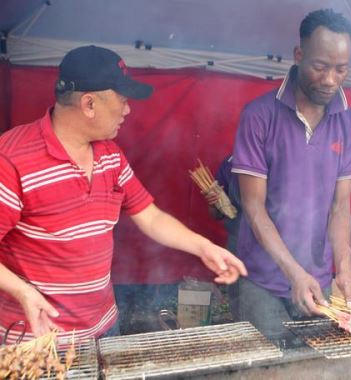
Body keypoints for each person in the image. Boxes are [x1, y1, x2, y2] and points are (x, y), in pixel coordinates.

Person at [0, 45, 247, 343]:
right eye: (122, 99)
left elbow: (151, 217)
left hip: (103, 328)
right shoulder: (12, 160)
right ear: (89, 104)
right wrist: (21, 291)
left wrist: (203, 246)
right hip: (37, 340)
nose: (128, 110)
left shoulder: (110, 156)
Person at [230, 9, 351, 339]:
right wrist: (293, 273)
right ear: (299, 55)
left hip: (317, 283)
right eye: (320, 67)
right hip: (261, 281)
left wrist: (344, 271)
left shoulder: (349, 123)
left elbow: (340, 207)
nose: (330, 79)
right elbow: (254, 206)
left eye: (341, 69)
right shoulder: (260, 116)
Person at [204, 155, 241, 254]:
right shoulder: (229, 164)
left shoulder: (279, 163)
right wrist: (213, 203)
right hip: (236, 240)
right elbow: (216, 215)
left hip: (274, 241)